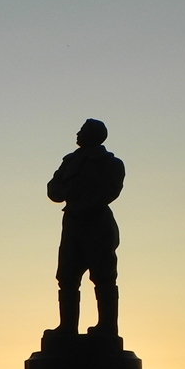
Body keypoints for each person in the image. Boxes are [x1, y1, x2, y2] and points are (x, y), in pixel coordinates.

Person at [47, 119, 125, 336]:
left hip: (97, 224)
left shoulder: (111, 163)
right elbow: (53, 188)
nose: (78, 134)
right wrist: (67, 193)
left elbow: (109, 191)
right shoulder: (70, 161)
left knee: (103, 276)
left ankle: (107, 327)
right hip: (72, 225)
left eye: (82, 130)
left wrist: (83, 199)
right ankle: (67, 327)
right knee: (67, 277)